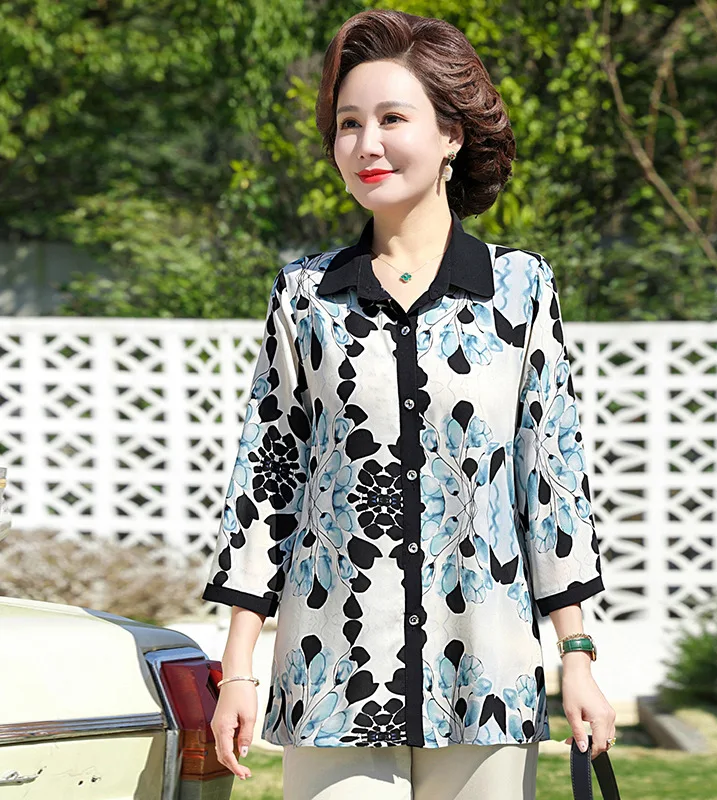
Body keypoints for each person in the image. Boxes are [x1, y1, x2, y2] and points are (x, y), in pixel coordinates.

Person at [202, 8, 616, 800]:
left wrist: (578, 658)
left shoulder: (519, 290)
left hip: (486, 673)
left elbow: (551, 480)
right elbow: (267, 481)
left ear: (452, 134)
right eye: (348, 123)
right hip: (331, 675)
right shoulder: (306, 295)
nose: (366, 143)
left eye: (392, 118)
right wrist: (239, 668)